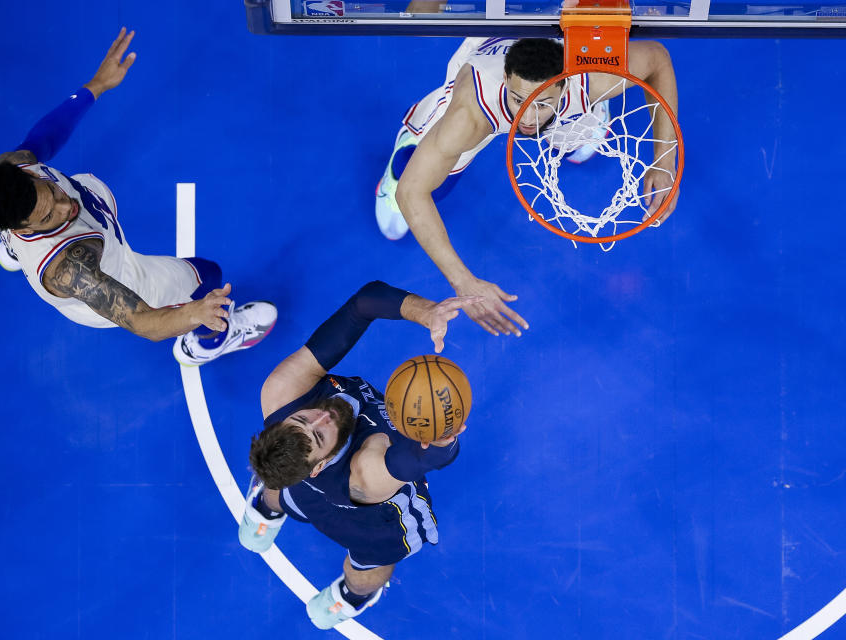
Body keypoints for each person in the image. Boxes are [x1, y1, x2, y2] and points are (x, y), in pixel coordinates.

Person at [0, 28, 276, 365]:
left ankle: (15, 251)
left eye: (52, 193)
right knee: (208, 275)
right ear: (24, 226)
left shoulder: (9, 169)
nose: (65, 206)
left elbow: (42, 140)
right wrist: (195, 312)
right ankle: (207, 343)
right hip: (120, 274)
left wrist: (96, 86)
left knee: (80, 194)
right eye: (48, 217)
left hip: (71, 230)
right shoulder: (72, 269)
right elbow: (145, 322)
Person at [375, 37, 679, 337]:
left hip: (564, 92)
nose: (528, 117)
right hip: (482, 79)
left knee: (577, 137)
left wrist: (665, 159)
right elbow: (412, 192)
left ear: (564, 85)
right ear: (508, 78)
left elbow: (658, 58)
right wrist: (463, 282)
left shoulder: (589, 79)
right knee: (424, 178)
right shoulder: (470, 113)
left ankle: (590, 115)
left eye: (541, 104)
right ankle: (404, 153)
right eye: (519, 100)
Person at [239, 281, 477, 629]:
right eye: (320, 433)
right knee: (372, 563)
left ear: (286, 416)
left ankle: (272, 516)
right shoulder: (366, 471)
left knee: (280, 482)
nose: (323, 415)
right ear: (319, 465)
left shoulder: (282, 392)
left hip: (328, 496)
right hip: (375, 519)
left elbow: (362, 304)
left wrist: (424, 311)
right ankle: (354, 594)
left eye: (304, 418)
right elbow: (423, 459)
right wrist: (441, 438)